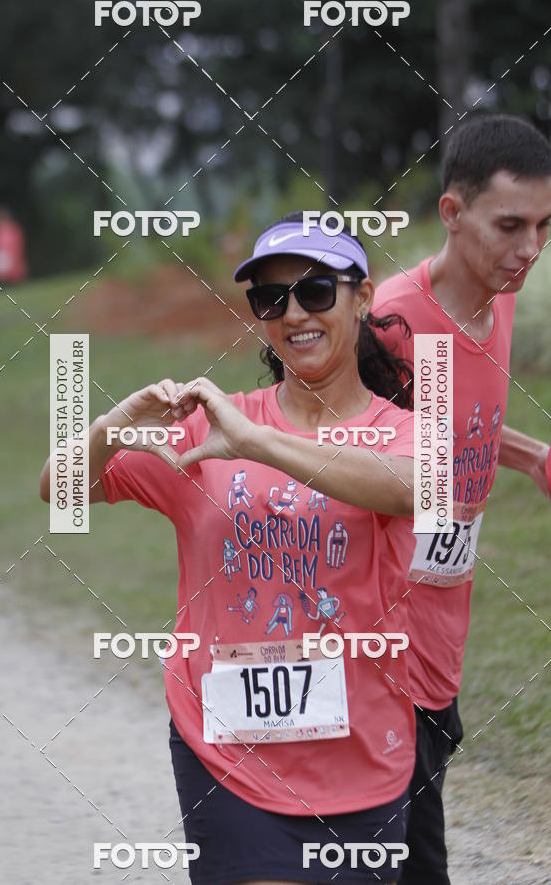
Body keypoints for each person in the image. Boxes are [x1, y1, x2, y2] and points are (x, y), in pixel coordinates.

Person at [42, 212, 418, 884]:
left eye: (316, 291)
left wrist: (255, 441)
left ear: (363, 297)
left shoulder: (395, 431)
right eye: (271, 298)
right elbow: (58, 486)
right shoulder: (210, 430)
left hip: (365, 753)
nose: (294, 313)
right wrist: (113, 424)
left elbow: (416, 489)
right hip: (228, 754)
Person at [372, 114, 551, 885]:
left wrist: (535, 457)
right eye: (510, 225)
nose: (530, 248)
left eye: (544, 225)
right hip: (380, 644)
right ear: (452, 212)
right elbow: (322, 451)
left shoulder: (499, 300)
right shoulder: (391, 323)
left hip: (445, 630)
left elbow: (456, 424)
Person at [0, 205, 28, 283]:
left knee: (13, 276)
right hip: (0, 258)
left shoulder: (13, 229)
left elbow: (17, 246)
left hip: (11, 257)